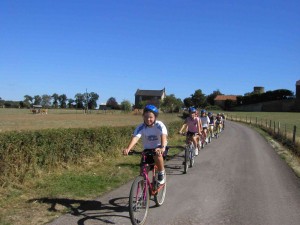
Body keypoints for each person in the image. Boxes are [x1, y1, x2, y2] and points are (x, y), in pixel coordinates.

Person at [123, 104, 168, 185]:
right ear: (143, 116)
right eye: (146, 117)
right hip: (147, 150)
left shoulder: (159, 125)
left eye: (151, 117)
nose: (148, 119)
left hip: (160, 147)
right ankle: (144, 194)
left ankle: (161, 172)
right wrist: (128, 148)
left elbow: (163, 136)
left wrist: (162, 147)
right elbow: (135, 138)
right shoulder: (141, 127)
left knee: (157, 155)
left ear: (155, 117)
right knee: (143, 174)